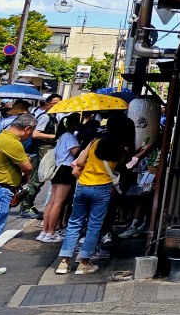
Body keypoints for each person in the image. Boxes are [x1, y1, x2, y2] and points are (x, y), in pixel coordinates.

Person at [54, 115, 130, 277]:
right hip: (102, 188)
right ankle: (84, 263)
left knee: (74, 223)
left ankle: (64, 262)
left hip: (82, 185)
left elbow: (80, 162)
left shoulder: (94, 142)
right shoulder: (121, 149)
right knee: (94, 225)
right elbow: (122, 165)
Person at [0, 114, 36, 279]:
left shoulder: (0, 137)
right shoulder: (12, 143)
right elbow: (28, 167)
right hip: (0, 191)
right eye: (31, 132)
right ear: (27, 129)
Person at [38, 114, 82, 243]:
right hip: (66, 170)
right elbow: (77, 154)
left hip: (57, 170)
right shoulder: (70, 137)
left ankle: (44, 232)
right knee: (58, 203)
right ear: (73, 124)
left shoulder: (62, 136)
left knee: (51, 202)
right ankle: (51, 232)